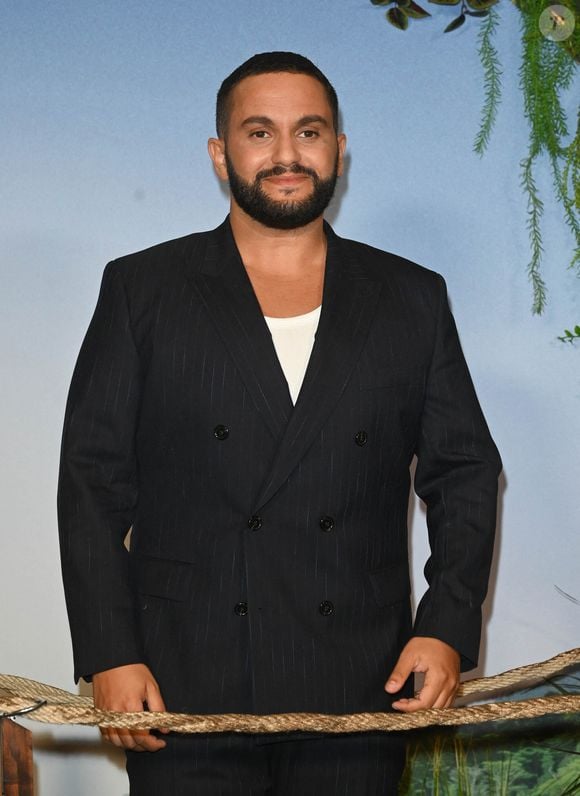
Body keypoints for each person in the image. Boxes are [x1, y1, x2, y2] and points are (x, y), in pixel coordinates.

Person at [58, 51, 501, 795]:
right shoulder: (143, 289)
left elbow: (465, 472)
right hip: (181, 682)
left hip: (359, 683)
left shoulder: (410, 296)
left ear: (339, 149)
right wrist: (109, 650)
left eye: (310, 132)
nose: (287, 155)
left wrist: (447, 625)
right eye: (259, 133)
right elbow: (92, 484)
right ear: (219, 152)